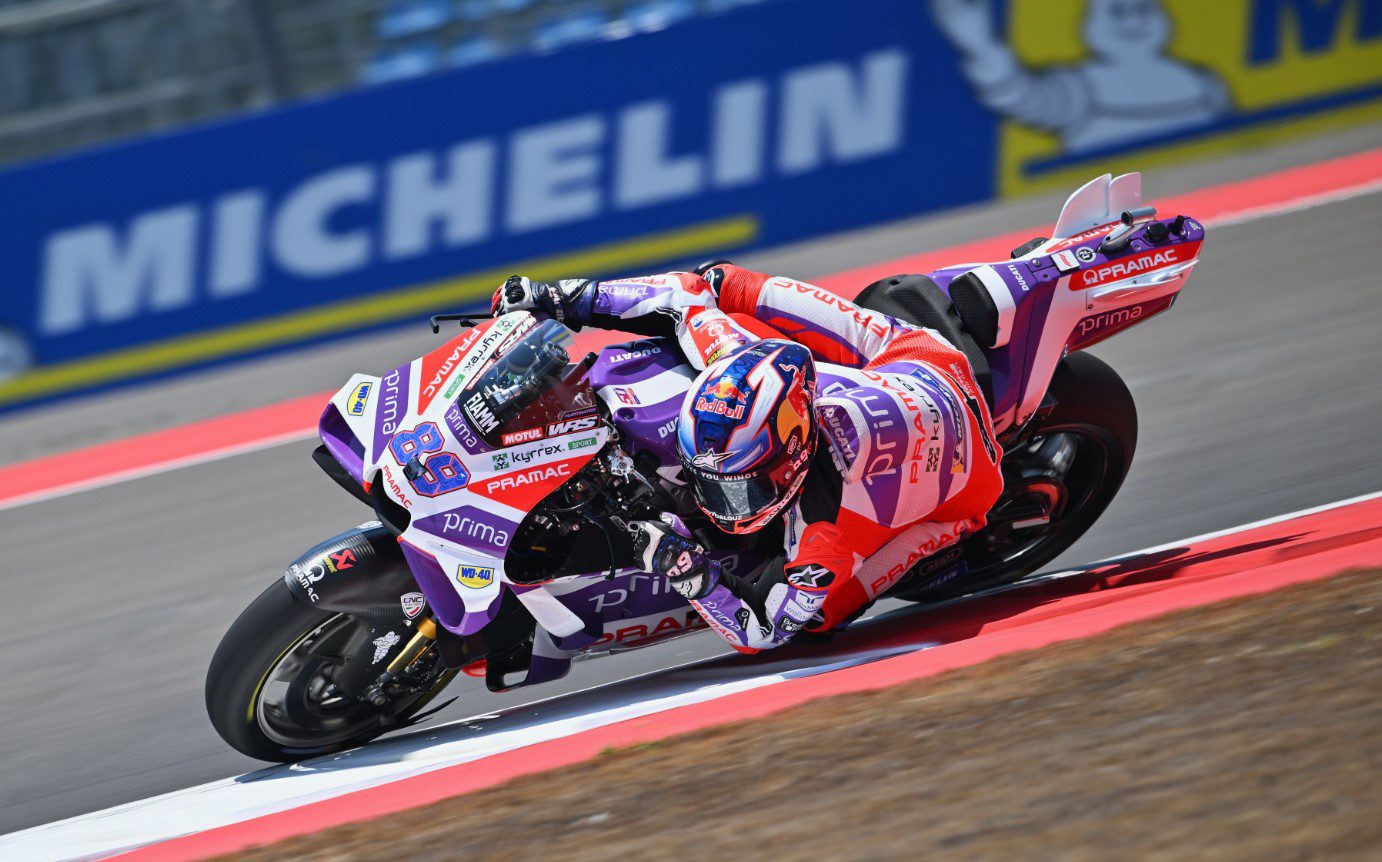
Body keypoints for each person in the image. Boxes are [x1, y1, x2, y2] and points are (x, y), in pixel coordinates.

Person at [491, 263, 1003, 652]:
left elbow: (762, 631)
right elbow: (681, 295)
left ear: (791, 461)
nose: (720, 502)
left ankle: (948, 552)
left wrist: (686, 568)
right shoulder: (730, 356)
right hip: (913, 363)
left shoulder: (825, 533)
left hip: (968, 476)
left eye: (739, 487)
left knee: (819, 621)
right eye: (707, 479)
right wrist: (563, 298)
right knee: (724, 282)